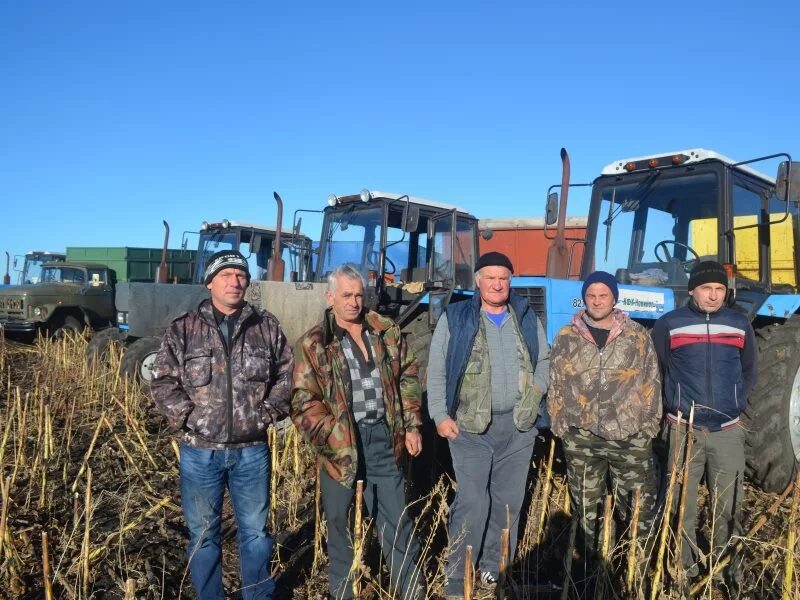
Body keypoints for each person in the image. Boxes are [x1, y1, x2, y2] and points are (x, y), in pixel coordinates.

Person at [150, 250, 293, 600]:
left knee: (256, 534)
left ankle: (257, 595)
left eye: (241, 275)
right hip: (200, 453)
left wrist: (265, 415)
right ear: (210, 282)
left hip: (251, 452)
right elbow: (163, 381)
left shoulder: (267, 326)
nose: (235, 281)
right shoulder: (184, 328)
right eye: (226, 275)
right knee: (202, 536)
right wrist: (191, 418)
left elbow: (287, 377)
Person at [291, 264, 424, 600]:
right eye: (346, 295)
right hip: (340, 447)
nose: (353, 302)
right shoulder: (314, 342)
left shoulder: (385, 331)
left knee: (397, 522)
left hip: (382, 438)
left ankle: (411, 592)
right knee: (340, 527)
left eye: (358, 295)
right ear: (330, 296)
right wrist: (333, 439)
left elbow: (407, 377)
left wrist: (410, 425)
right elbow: (303, 402)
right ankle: (343, 593)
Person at [426, 251, 549, 599]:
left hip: (519, 426)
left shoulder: (525, 315)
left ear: (511, 281)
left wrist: (537, 391)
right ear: (477, 281)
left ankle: (495, 569)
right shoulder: (457, 317)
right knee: (473, 502)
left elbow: (544, 360)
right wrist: (440, 415)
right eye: (491, 277)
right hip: (469, 428)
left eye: (504, 278)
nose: (497, 284)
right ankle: (458, 574)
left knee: (508, 500)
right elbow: (436, 370)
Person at [652, 261, 757, 589]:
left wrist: (735, 402)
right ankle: (682, 571)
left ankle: (727, 572)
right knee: (682, 508)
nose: (713, 296)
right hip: (684, 431)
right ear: (692, 290)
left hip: (727, 433)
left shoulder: (739, 324)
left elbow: (749, 370)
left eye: (720, 290)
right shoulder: (670, 324)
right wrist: (676, 405)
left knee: (729, 506)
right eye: (707, 289)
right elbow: (659, 369)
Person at [548, 271, 661, 559]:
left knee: (637, 510)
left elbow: (651, 381)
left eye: (603, 296)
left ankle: (635, 572)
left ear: (614, 299)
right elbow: (556, 381)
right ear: (584, 298)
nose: (597, 302)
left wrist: (648, 426)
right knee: (587, 510)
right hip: (581, 438)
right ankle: (592, 573)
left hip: (629, 437)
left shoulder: (637, 336)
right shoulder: (566, 336)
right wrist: (559, 423)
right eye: (591, 296)